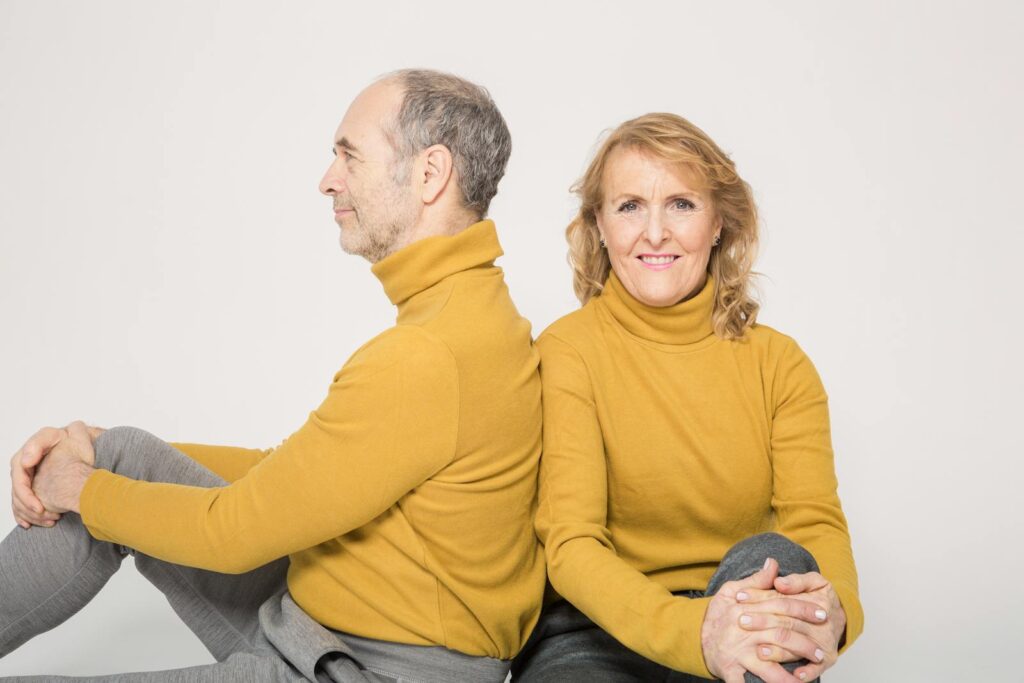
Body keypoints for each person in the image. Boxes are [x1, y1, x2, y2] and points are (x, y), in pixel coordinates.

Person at [1, 69, 545, 682]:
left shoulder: (426, 355)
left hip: (364, 670)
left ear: (429, 173)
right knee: (120, 454)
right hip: (308, 623)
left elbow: (233, 534)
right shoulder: (471, 315)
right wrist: (95, 452)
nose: (327, 180)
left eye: (349, 155)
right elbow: (290, 473)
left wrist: (78, 487)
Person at [510, 113, 863, 683]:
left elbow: (815, 524)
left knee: (778, 560)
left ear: (719, 222)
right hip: (597, 633)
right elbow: (572, 543)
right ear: (599, 224)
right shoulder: (567, 352)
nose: (655, 233)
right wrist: (698, 634)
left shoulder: (781, 364)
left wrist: (834, 614)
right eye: (629, 206)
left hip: (745, 614)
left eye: (680, 204)